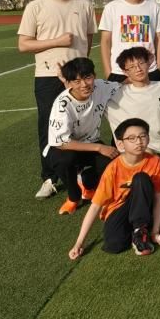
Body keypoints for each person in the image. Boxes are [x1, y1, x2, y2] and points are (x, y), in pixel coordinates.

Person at [18, 0, 96, 199]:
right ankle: (49, 177)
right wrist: (57, 42)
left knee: (81, 123)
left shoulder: (84, 4)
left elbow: (88, 38)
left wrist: (79, 67)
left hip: (78, 77)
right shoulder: (36, 7)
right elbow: (23, 44)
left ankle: (80, 172)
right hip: (48, 76)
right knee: (48, 126)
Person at [68, 118, 160, 259]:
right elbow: (95, 206)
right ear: (120, 144)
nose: (139, 142)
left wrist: (155, 232)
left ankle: (140, 231)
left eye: (142, 136)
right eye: (132, 138)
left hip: (142, 205)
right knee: (114, 246)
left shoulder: (154, 161)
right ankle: (136, 230)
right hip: (119, 208)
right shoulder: (113, 168)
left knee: (141, 178)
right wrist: (79, 243)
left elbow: (158, 199)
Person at [44, 57, 120, 215]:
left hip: (91, 143)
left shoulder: (101, 86)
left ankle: (87, 183)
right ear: (69, 83)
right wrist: (99, 147)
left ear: (94, 76)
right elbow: (61, 142)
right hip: (65, 148)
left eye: (87, 77)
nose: (84, 84)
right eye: (77, 81)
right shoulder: (62, 104)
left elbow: (122, 85)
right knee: (64, 160)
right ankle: (73, 197)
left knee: (114, 162)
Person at [106, 47, 160, 174]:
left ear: (148, 63)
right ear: (125, 71)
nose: (138, 69)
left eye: (141, 63)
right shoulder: (114, 95)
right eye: (132, 67)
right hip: (137, 155)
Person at [98, 0, 160, 82]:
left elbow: (159, 39)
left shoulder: (154, 7)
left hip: (149, 70)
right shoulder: (111, 7)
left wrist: (158, 68)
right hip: (119, 72)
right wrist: (108, 72)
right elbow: (105, 41)